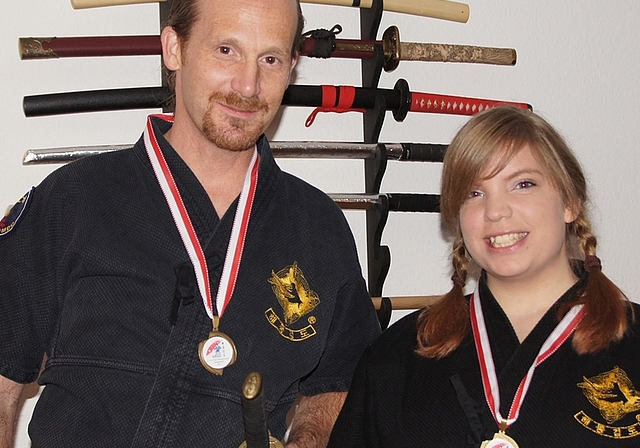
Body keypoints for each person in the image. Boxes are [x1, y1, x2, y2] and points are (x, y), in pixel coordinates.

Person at [0, 0, 381, 446]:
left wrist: (308, 440)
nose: (248, 84)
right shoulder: (73, 200)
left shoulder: (319, 227)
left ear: (292, 67)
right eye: (226, 50)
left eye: (271, 59)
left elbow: (343, 380)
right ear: (173, 49)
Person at [328, 106, 640, 447]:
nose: (495, 211)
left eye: (523, 184)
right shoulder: (397, 359)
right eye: (474, 193)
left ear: (570, 202)